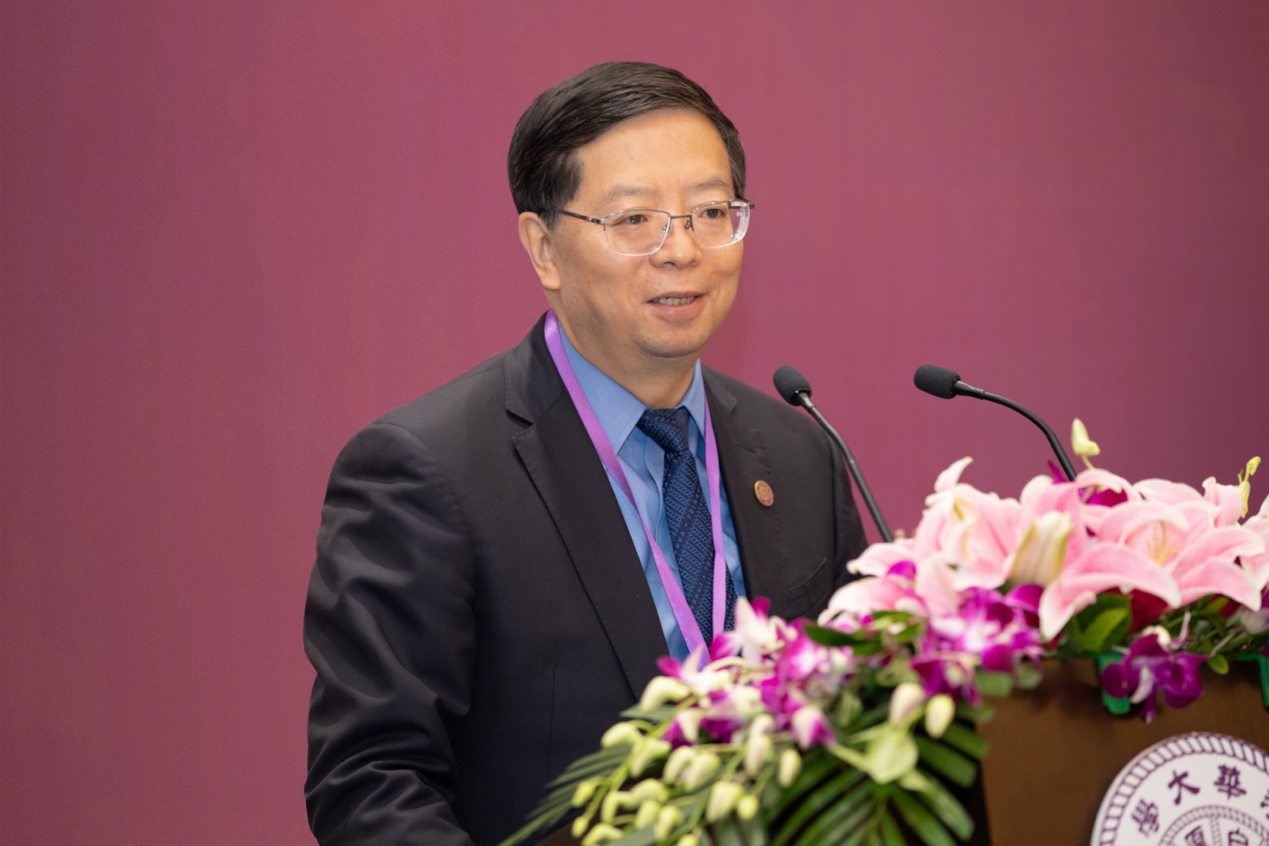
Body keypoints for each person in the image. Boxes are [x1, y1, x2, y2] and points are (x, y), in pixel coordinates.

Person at [304, 61, 868, 846]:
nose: (681, 250)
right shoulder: (428, 473)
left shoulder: (799, 452)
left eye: (710, 212)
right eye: (634, 220)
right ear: (543, 248)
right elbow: (370, 783)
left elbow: (862, 725)